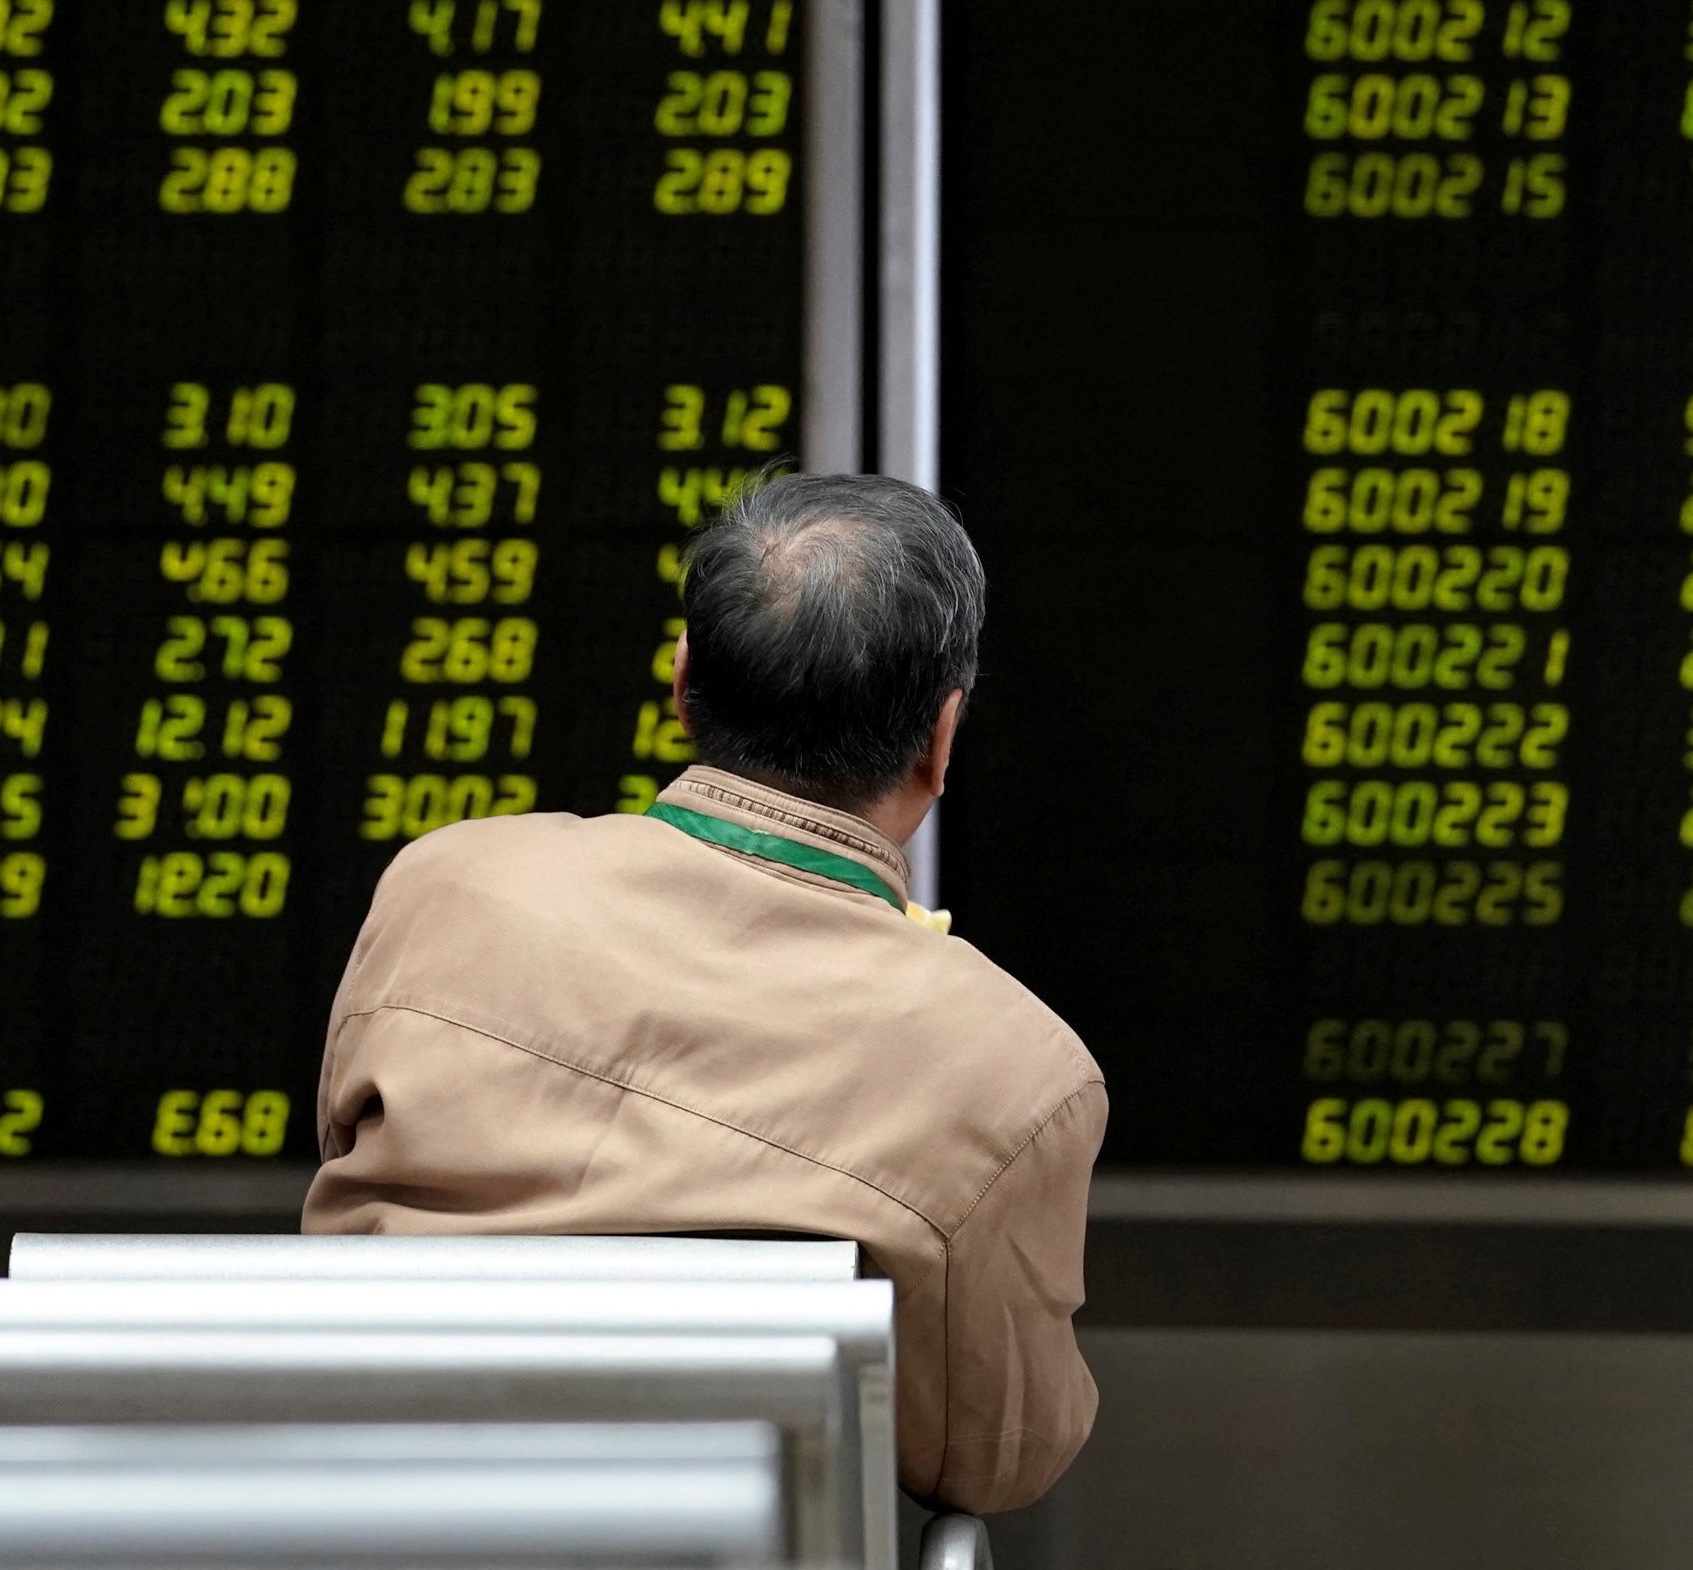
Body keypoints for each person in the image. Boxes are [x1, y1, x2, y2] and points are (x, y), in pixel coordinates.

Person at [304, 472, 1106, 1514]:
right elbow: (996, 1456)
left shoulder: (440, 885)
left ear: (682, 681)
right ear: (940, 734)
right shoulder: (1017, 1069)